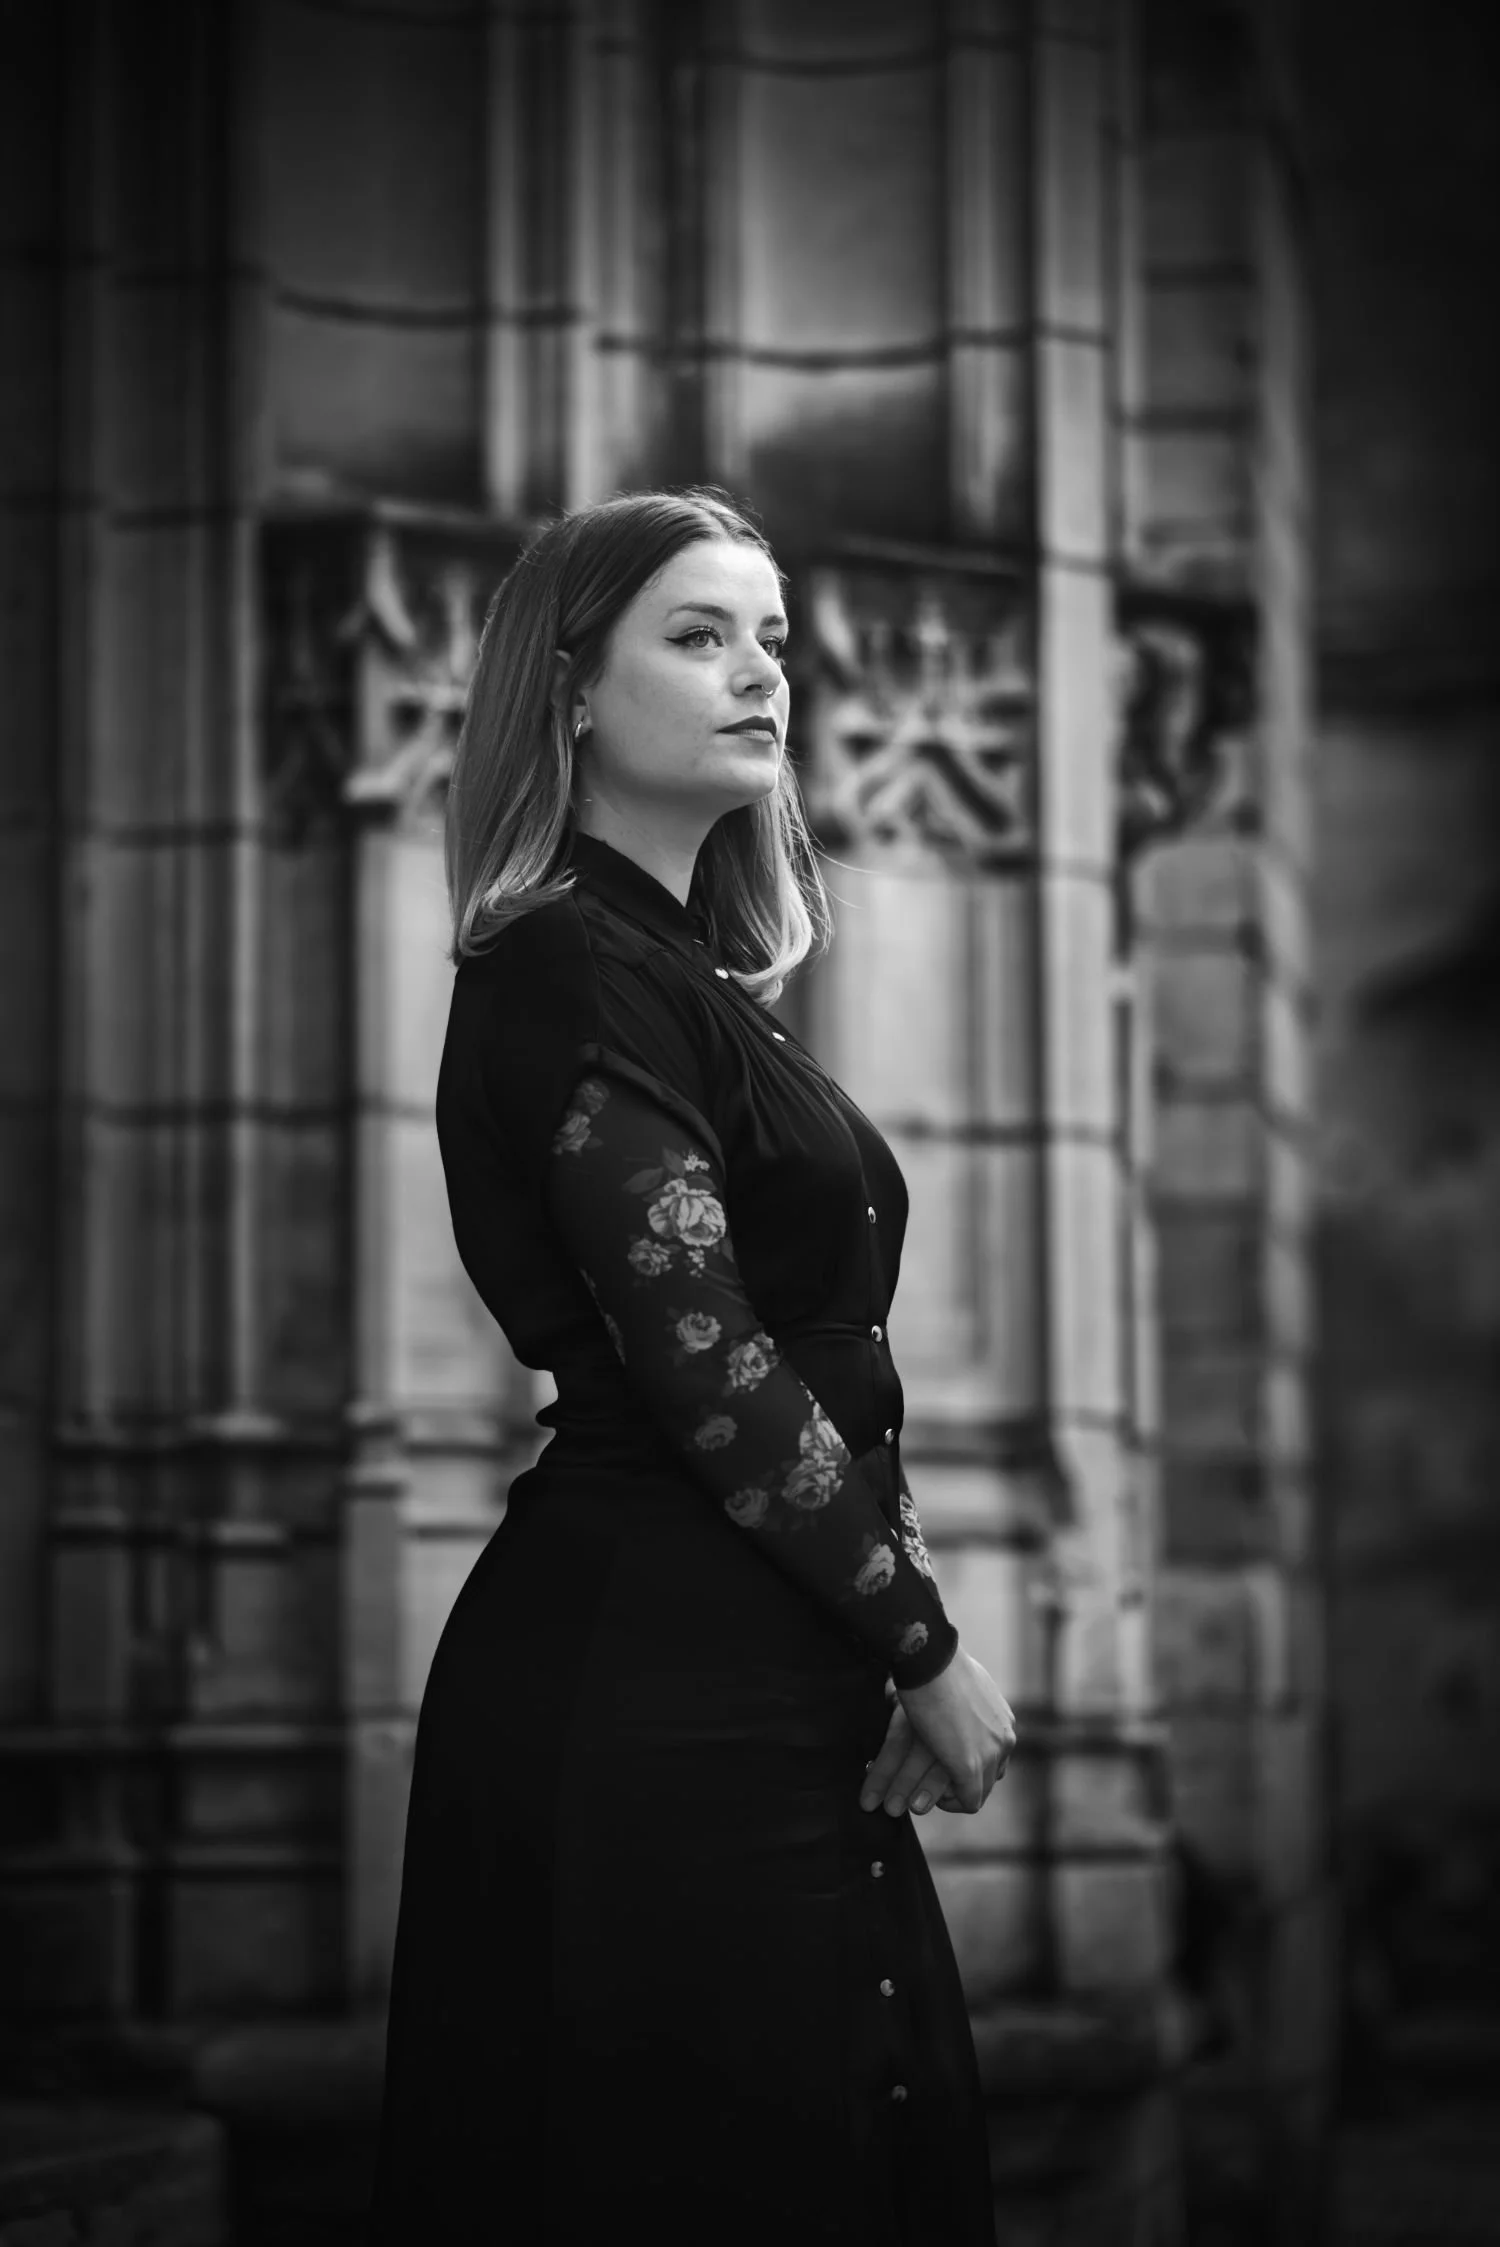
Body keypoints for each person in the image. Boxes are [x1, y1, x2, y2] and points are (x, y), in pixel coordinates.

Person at [367, 487, 1017, 2246]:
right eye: (699, 634)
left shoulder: (683, 973)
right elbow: (708, 1365)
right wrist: (926, 1645)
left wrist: (879, 1620)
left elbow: (805, 1357)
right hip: (647, 1696)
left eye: (774, 639)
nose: (760, 676)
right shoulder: (569, 960)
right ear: (568, 688)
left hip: (756, 1665)